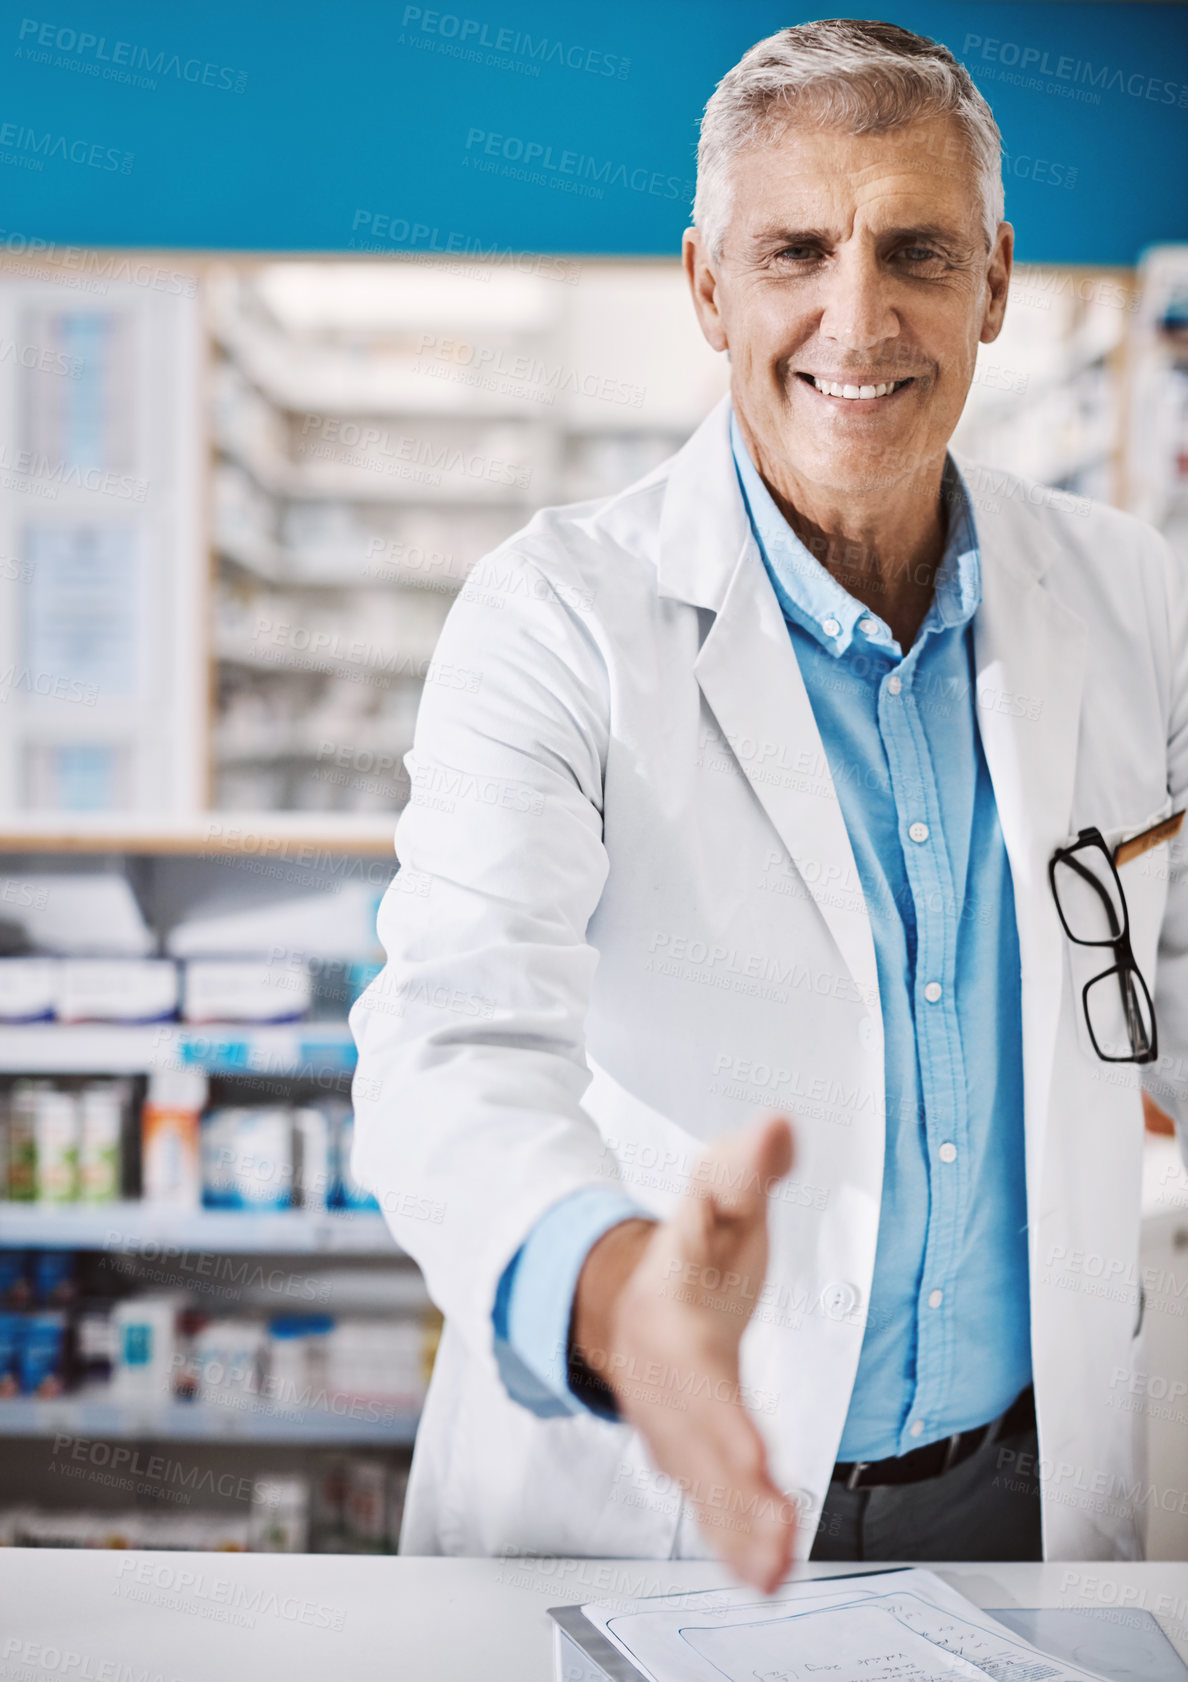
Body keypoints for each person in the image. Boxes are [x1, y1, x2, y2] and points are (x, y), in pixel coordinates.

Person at [351, 18, 1187, 1583]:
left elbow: (1172, 967)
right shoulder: (557, 616)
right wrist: (615, 1295)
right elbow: (447, 1039)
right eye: (796, 249)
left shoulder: (1126, 591)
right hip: (647, 1483)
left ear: (996, 282)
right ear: (705, 285)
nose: (856, 319)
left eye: (917, 252)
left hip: (1022, 1484)